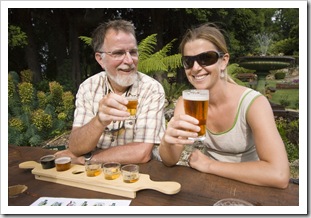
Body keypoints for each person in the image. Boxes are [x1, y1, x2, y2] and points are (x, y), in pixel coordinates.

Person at [159, 23, 290, 189]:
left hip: (252, 187)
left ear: (223, 61)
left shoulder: (253, 104)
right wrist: (168, 142)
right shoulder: (187, 103)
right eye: (188, 61)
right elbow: (169, 161)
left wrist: (209, 166)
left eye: (206, 58)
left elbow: (279, 174)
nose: (196, 68)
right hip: (209, 186)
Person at [56, 19, 166, 165]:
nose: (129, 61)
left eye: (133, 52)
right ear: (100, 59)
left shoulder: (151, 89)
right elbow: (76, 147)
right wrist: (99, 120)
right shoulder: (88, 87)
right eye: (118, 53)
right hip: (96, 175)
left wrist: (87, 159)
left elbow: (142, 153)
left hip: (139, 174)